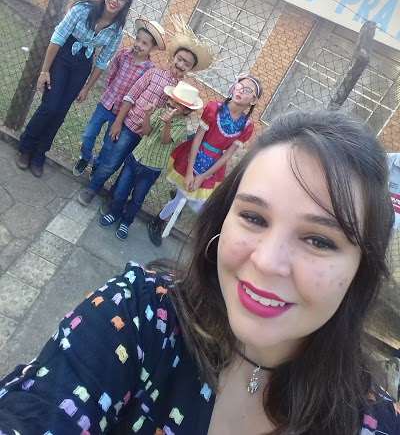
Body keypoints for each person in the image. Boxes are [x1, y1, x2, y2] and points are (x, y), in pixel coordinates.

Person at [1, 109, 399, 434]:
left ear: (360, 271)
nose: (266, 261)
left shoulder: (372, 422)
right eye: (253, 217)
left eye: (319, 240)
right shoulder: (137, 316)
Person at [77, 18, 215, 206]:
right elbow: (130, 97)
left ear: (190, 69)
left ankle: (113, 198)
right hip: (129, 127)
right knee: (112, 161)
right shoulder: (153, 73)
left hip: (150, 138)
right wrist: (118, 122)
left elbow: (179, 118)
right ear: (173, 58)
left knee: (129, 169)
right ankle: (92, 189)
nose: (181, 64)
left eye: (187, 64)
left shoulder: (182, 92)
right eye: (180, 59)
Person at [15, 0, 134, 178]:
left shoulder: (117, 31)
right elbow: (58, 37)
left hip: (82, 66)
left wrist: (87, 87)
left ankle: (40, 153)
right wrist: (44, 71)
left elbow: (102, 61)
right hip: (63, 58)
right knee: (50, 107)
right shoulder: (82, 9)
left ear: (126, 4)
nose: (114, 0)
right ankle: (26, 146)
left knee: (60, 112)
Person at [147, 74, 262, 246]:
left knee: (199, 204)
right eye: (239, 85)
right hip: (192, 158)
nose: (240, 90)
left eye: (247, 90)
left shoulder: (247, 126)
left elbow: (227, 155)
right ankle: (157, 221)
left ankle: (203, 235)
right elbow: (197, 139)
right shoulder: (214, 109)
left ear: (253, 100)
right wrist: (189, 172)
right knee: (185, 197)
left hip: (212, 167)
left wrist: (202, 176)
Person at [99, 81, 203, 240]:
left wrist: (167, 124)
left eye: (178, 104)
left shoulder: (181, 126)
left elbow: (165, 140)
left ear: (187, 110)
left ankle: (126, 221)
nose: (171, 104)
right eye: (172, 100)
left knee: (137, 198)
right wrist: (148, 114)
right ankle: (114, 212)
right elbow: (146, 131)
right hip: (136, 158)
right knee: (121, 191)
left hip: (151, 168)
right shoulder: (159, 111)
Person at [72, 18, 166, 177]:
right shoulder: (123, 55)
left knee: (109, 144)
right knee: (88, 134)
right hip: (106, 102)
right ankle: (86, 157)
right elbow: (112, 73)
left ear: (153, 48)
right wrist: (109, 91)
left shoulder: (150, 69)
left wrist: (124, 115)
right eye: (138, 39)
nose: (138, 44)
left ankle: (97, 164)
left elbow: (140, 93)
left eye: (144, 43)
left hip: (122, 114)